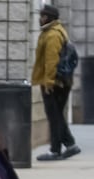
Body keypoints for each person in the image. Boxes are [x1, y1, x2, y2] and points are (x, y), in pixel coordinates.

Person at [32, 4, 81, 161]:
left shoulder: (52, 35)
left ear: (50, 18)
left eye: (43, 16)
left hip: (55, 84)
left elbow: (51, 61)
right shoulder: (55, 31)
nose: (40, 19)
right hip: (60, 82)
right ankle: (70, 145)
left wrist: (48, 83)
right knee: (57, 116)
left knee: (54, 117)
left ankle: (55, 150)